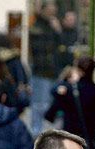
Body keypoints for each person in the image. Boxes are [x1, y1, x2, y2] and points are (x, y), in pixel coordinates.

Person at [44, 57, 95, 149]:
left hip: (69, 139)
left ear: (78, 71)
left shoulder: (68, 89)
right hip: (88, 139)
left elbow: (52, 95)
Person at [28, 1, 61, 136]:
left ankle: (49, 133)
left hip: (53, 71)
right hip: (40, 71)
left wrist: (57, 31)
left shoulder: (52, 26)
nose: (54, 10)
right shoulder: (37, 26)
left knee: (51, 105)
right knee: (39, 104)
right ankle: (37, 134)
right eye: (51, 7)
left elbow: (60, 47)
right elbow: (40, 48)